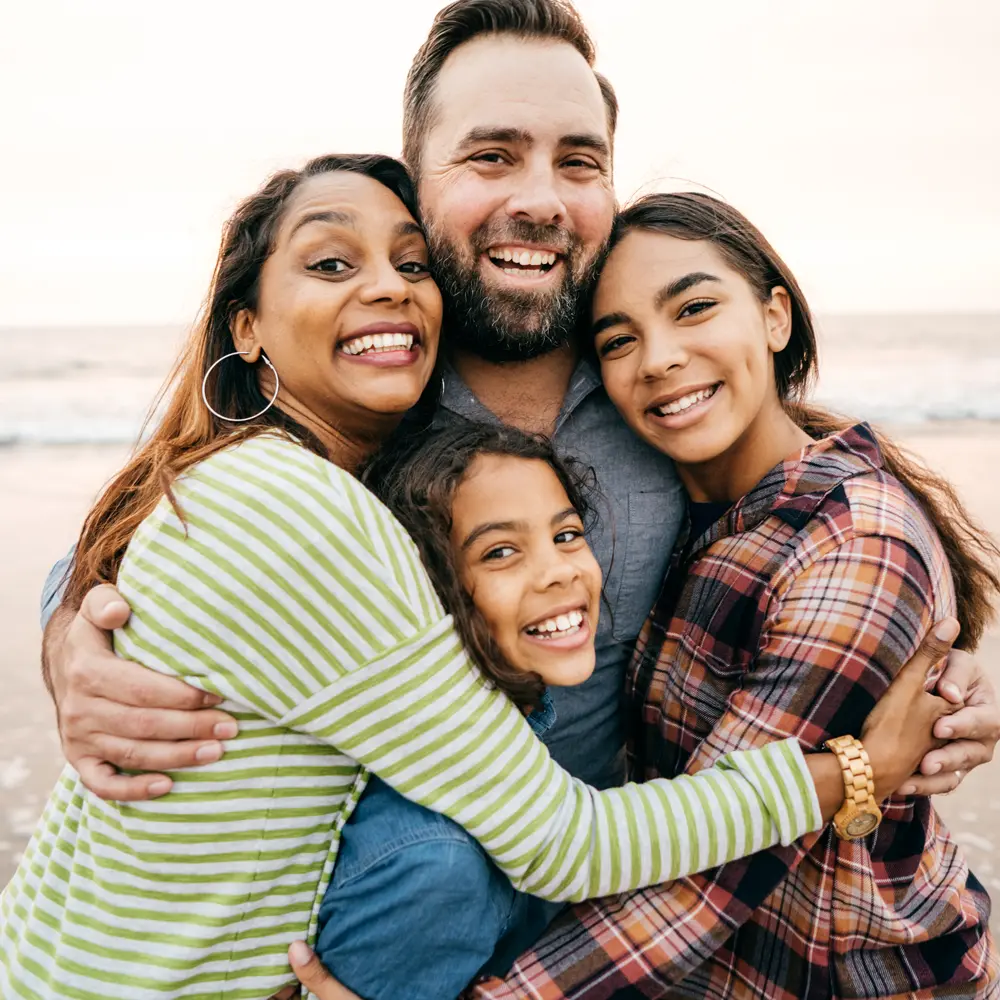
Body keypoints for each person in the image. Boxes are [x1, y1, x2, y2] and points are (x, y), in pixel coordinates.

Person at [32, 0, 1000, 987]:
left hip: (614, 907)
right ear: (417, 181)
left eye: (578, 162)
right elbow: (161, 531)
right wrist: (71, 642)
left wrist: (934, 647)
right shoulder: (377, 372)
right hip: (404, 911)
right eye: (491, 156)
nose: (539, 198)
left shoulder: (645, 373)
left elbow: (799, 508)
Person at [467, 193, 1000, 998]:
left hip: (841, 976)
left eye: (695, 308)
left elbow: (712, 875)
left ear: (775, 316)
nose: (659, 358)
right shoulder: (648, 509)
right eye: (619, 340)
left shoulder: (855, 542)